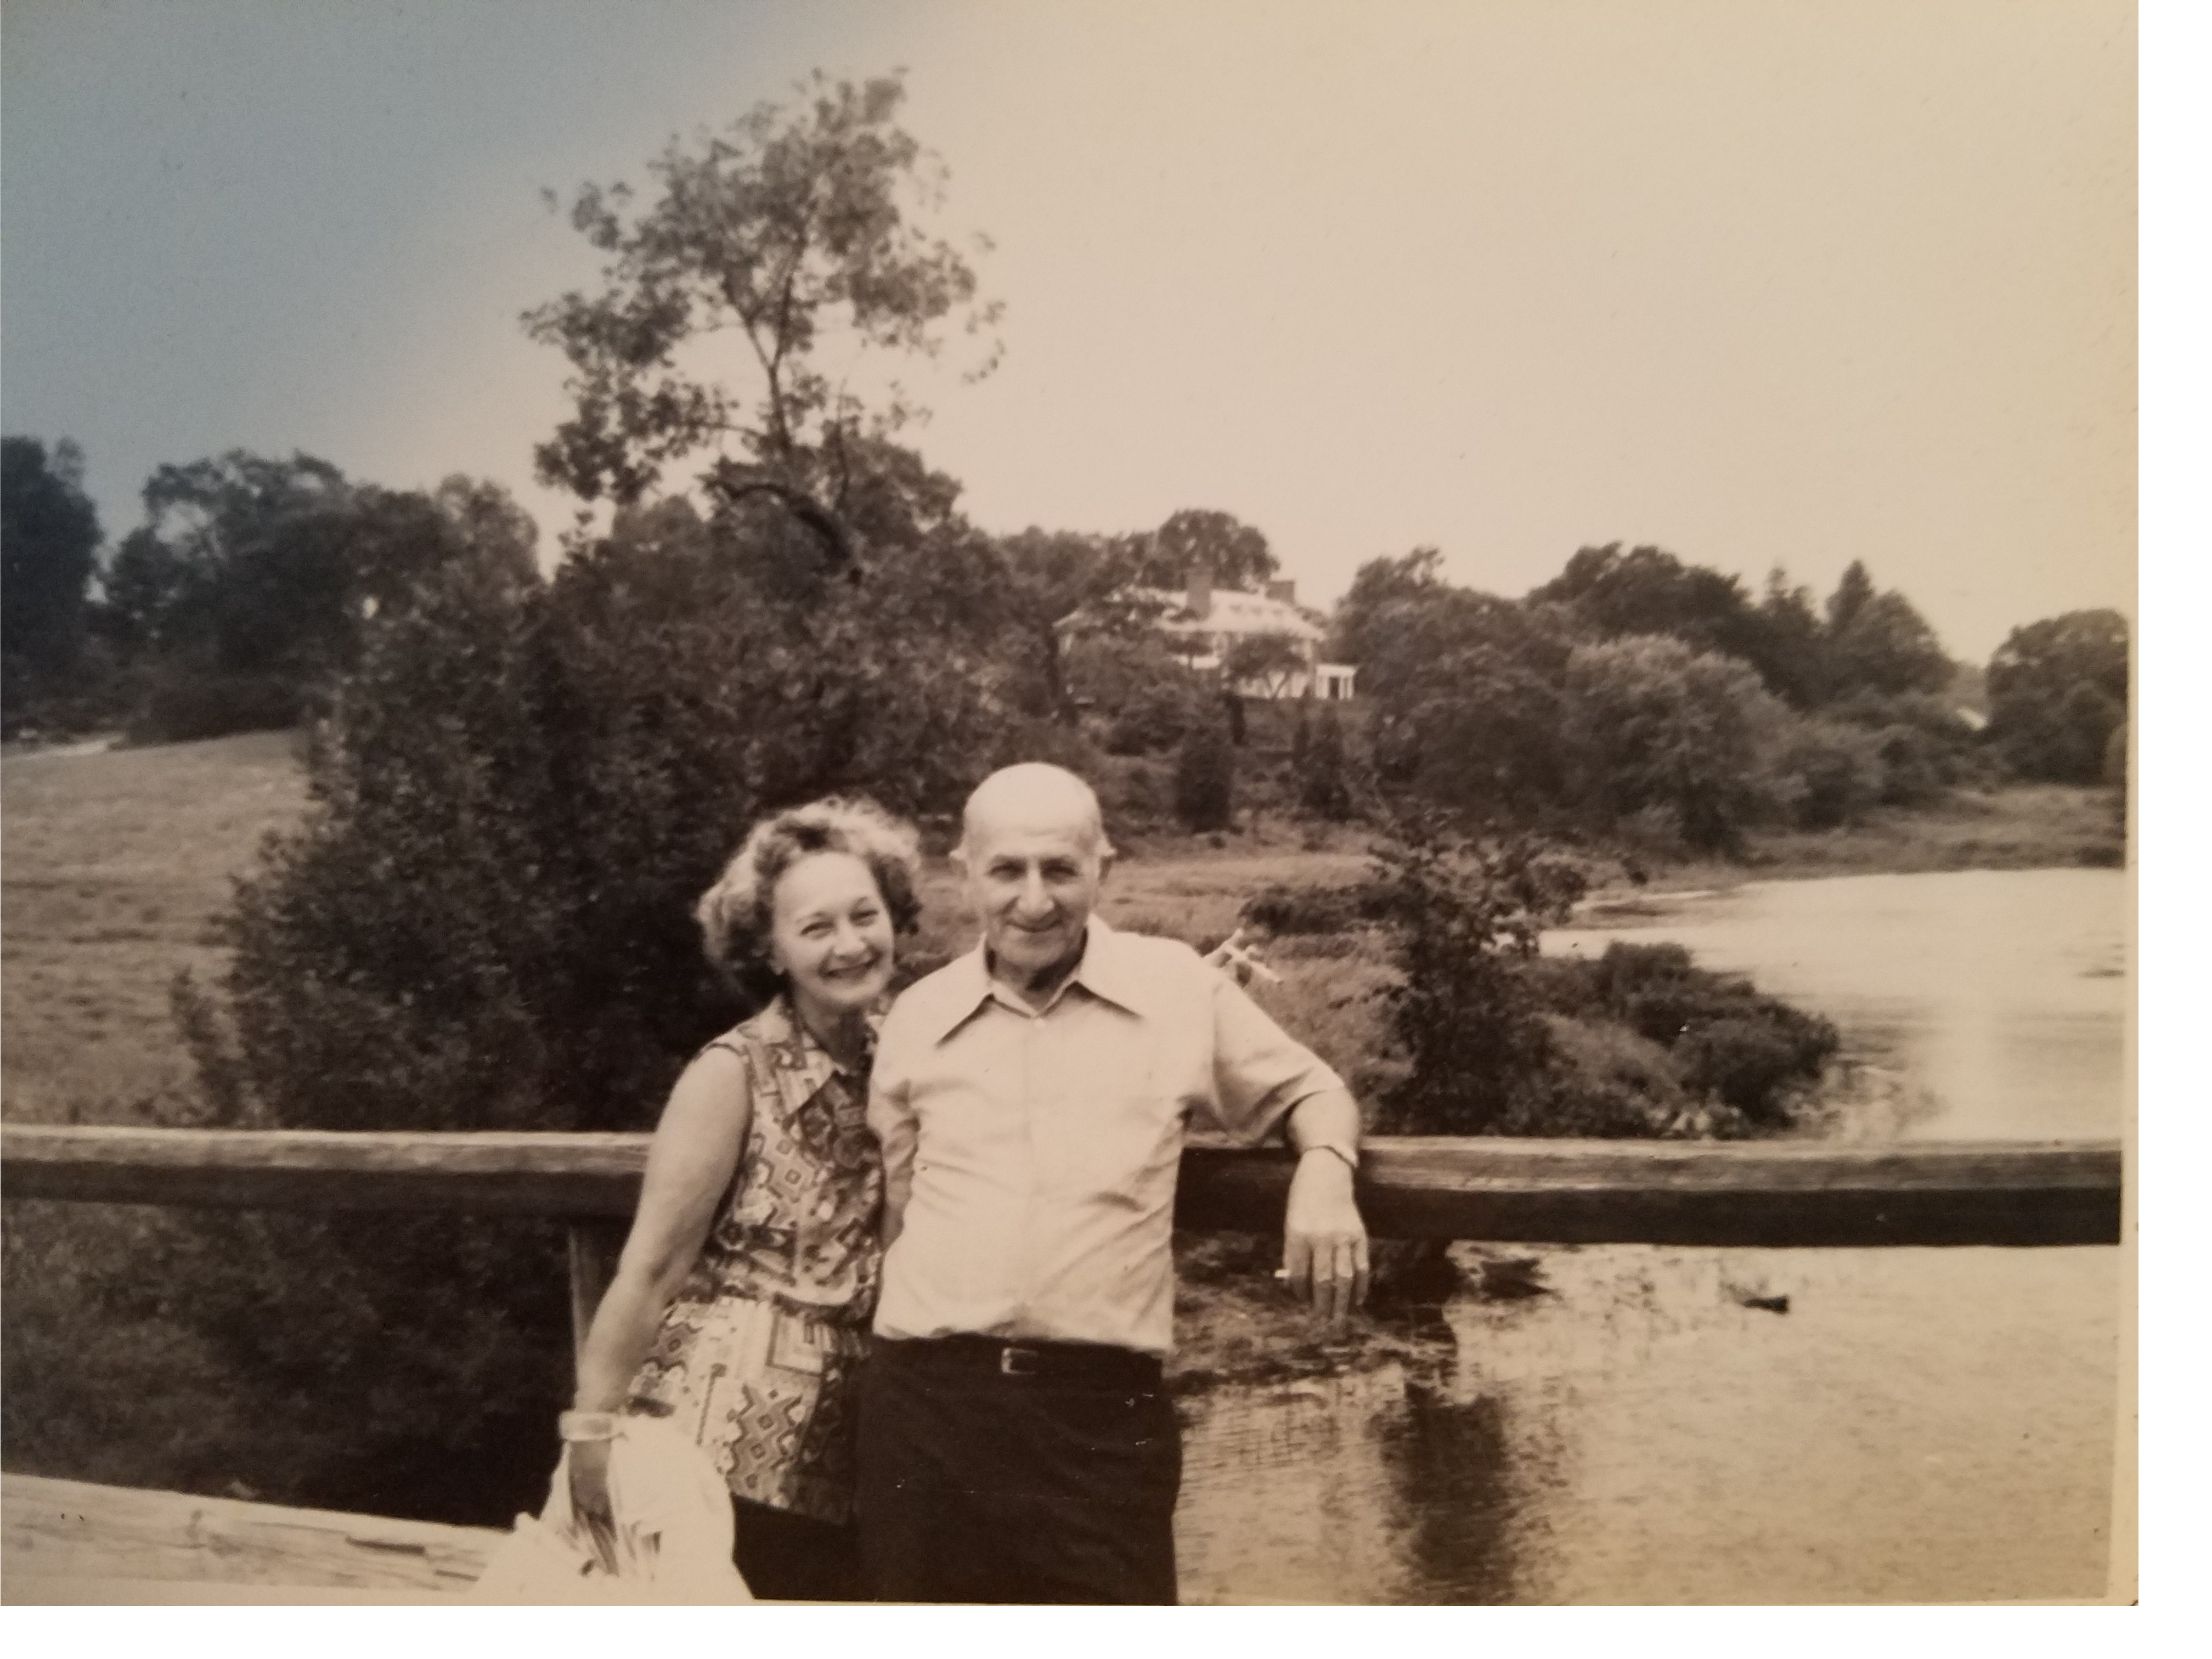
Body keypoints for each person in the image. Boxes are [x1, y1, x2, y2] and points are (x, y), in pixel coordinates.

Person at [857, 763, 1372, 1606]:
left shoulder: (1176, 988)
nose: (1034, 900)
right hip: (923, 1412)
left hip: (1098, 1418)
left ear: (1105, 868)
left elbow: (1311, 1091)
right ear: (965, 874)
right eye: (1007, 871)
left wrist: (1324, 1170)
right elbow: (899, 1204)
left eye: (1060, 869)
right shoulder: (918, 1015)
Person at [559, 796, 919, 1603]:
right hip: (716, 1444)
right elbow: (650, 1269)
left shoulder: (911, 1047)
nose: (851, 944)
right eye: (816, 927)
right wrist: (588, 1433)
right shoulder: (731, 1074)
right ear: (771, 948)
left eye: (866, 915)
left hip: (854, 1439)